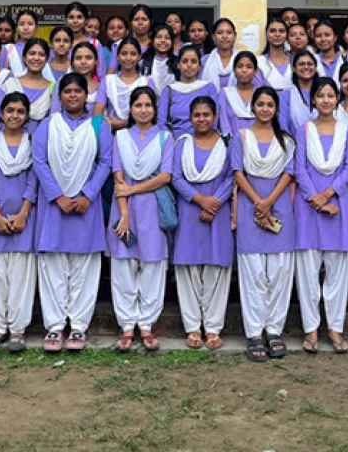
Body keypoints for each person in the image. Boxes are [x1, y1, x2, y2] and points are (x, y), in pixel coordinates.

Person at [33, 74, 113, 353]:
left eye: (78, 91)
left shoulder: (98, 125)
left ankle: (78, 325)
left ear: (85, 95)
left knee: (84, 267)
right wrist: (58, 196)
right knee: (53, 266)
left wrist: (87, 195)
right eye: (67, 91)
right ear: (60, 96)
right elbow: (39, 161)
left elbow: (105, 162)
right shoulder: (47, 125)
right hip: (54, 205)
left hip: (85, 206)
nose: (73, 96)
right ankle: (55, 326)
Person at [232, 86, 297, 362]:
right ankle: (255, 332)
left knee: (280, 271)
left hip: (278, 204)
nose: (265, 109)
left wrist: (268, 201)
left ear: (276, 108)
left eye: (270, 104)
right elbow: (237, 171)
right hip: (250, 207)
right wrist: (258, 201)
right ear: (253, 107)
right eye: (260, 104)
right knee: (253, 272)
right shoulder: (241, 137)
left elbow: (289, 173)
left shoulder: (286, 140)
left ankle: (274, 329)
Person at [293, 77, 348, 355]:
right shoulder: (303, 129)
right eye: (321, 95)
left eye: (331, 95)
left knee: (338, 273)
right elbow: (300, 168)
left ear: (338, 99)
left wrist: (327, 194)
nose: (326, 100)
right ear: (314, 100)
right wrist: (316, 199)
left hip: (338, 204)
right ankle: (311, 329)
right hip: (308, 206)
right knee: (307, 272)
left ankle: (335, 327)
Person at [107, 87, 173, 352]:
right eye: (138, 105)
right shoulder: (120, 136)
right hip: (124, 207)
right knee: (123, 266)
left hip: (152, 206)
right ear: (131, 109)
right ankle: (126, 325)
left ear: (155, 109)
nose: (143, 110)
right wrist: (124, 213)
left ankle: (146, 324)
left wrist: (133, 190)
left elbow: (165, 176)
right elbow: (118, 176)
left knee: (153, 265)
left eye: (148, 105)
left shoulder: (165, 138)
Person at [171, 96, 234, 351]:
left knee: (216, 269)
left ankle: (213, 327)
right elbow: (174, 176)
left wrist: (214, 202)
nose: (201, 119)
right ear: (190, 118)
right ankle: (193, 326)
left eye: (206, 115)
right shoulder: (182, 144)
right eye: (196, 115)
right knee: (188, 269)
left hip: (217, 211)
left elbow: (232, 176)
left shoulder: (227, 144)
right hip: (190, 210)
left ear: (215, 116)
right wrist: (200, 200)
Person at [0, 91, 39, 353]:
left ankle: (17, 329)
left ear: (26, 116)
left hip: (25, 216)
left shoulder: (32, 142)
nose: (15, 115)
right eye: (10, 110)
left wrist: (24, 211)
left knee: (21, 273)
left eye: (20, 111)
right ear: (2, 114)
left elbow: (34, 178)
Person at [159, 45, 218, 139]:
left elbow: (214, 120)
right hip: (174, 143)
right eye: (185, 61)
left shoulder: (208, 88)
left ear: (199, 66)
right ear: (178, 64)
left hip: (203, 141)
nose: (189, 65)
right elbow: (162, 123)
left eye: (193, 62)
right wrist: (170, 143)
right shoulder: (169, 90)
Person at [103, 38, 152, 132]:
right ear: (117, 56)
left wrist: (123, 123)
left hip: (140, 134)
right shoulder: (108, 81)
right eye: (124, 54)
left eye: (133, 54)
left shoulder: (146, 82)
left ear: (139, 56)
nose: (128, 58)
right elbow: (97, 113)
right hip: (110, 134)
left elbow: (151, 114)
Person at [14, 38, 54, 134]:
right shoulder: (11, 84)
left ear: (47, 59)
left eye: (41, 55)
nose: (36, 58)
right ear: (24, 57)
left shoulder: (53, 88)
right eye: (32, 54)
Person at [218, 52, 258, 137]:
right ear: (234, 70)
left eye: (249, 67)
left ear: (255, 71)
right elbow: (224, 122)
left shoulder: (261, 94)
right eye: (240, 66)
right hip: (231, 144)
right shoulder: (225, 93)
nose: (244, 70)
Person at [279, 50, 318, 135]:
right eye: (301, 64)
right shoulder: (286, 95)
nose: (306, 67)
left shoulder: (323, 93)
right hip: (294, 143)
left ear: (315, 68)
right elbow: (283, 126)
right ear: (294, 68)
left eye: (310, 64)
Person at [258, 19, 293, 90]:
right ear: (266, 34)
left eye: (281, 31)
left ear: (287, 35)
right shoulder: (258, 62)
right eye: (272, 31)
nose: (277, 34)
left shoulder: (295, 60)